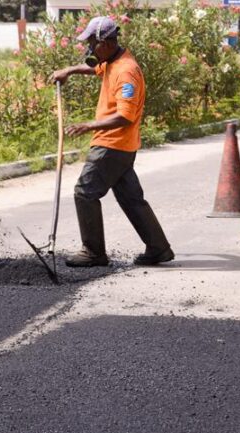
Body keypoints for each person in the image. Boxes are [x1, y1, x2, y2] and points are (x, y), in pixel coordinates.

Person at [51, 16, 174, 267]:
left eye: (92, 44)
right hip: (122, 147)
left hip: (112, 144)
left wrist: (88, 125)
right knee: (131, 199)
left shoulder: (126, 71)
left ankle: (93, 252)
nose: (89, 49)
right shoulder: (111, 61)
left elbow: (125, 116)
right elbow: (94, 68)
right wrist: (70, 70)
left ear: (105, 43)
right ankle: (159, 248)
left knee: (84, 193)